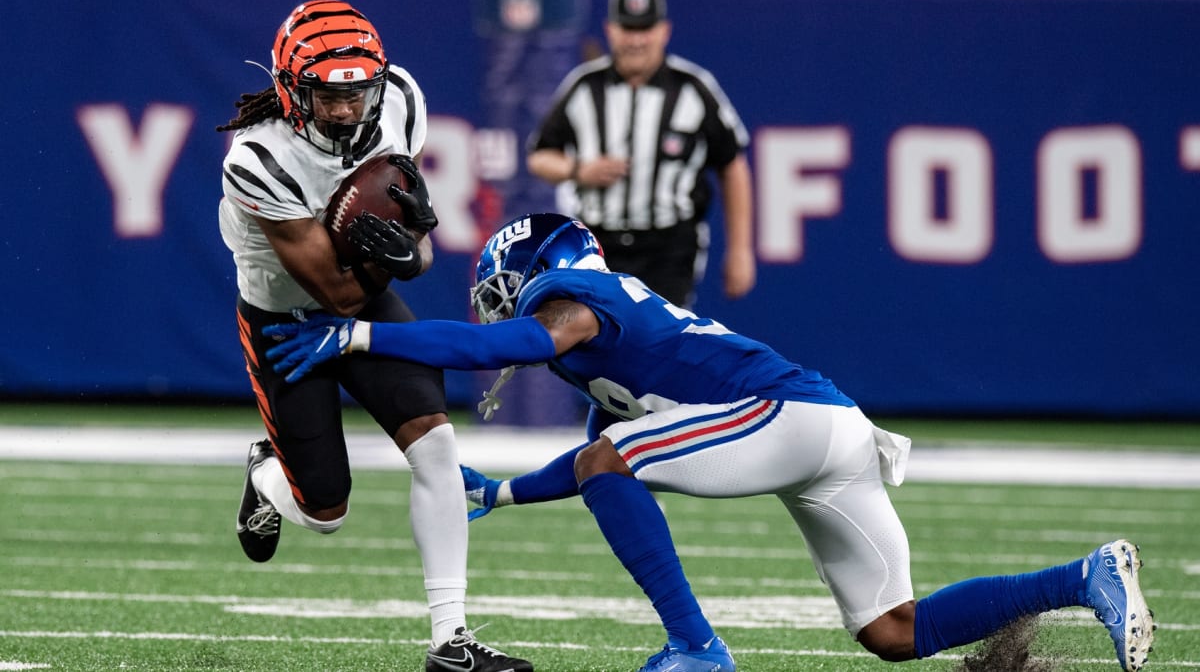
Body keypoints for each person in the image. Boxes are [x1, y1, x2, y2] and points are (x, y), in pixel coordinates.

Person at [262, 212, 1156, 672]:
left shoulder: (576, 296)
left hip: (787, 415)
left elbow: (515, 346)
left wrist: (360, 336)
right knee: (892, 630)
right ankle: (1085, 576)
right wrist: (500, 494)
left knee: (619, 459)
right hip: (827, 429)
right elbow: (588, 461)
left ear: (526, 272)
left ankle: (696, 646)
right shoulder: (606, 356)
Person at [215, 1, 533, 670]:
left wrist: (409, 247)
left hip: (365, 301)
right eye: (327, 95)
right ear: (290, 90)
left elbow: (401, 214)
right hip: (286, 320)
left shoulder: (400, 101)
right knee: (326, 510)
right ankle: (269, 476)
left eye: (357, 91)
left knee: (438, 446)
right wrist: (411, 257)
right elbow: (333, 288)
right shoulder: (259, 158)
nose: (345, 109)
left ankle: (451, 641)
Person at [526, 0, 755, 308]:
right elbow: (539, 156)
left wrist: (740, 250)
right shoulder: (584, 86)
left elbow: (732, 165)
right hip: (596, 243)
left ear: (664, 31)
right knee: (593, 342)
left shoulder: (693, 88)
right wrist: (579, 170)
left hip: (668, 246)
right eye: (628, 29)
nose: (636, 40)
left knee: (660, 343)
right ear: (610, 30)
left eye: (645, 29)